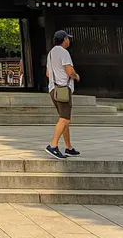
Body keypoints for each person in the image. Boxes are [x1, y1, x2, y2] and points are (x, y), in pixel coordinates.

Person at [45, 30, 80, 160]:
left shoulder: (50, 54)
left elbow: (48, 74)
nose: (69, 41)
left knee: (63, 117)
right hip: (63, 89)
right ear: (64, 39)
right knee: (65, 118)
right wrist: (76, 76)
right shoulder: (63, 52)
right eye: (68, 38)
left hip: (53, 88)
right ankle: (53, 145)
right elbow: (69, 71)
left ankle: (69, 147)